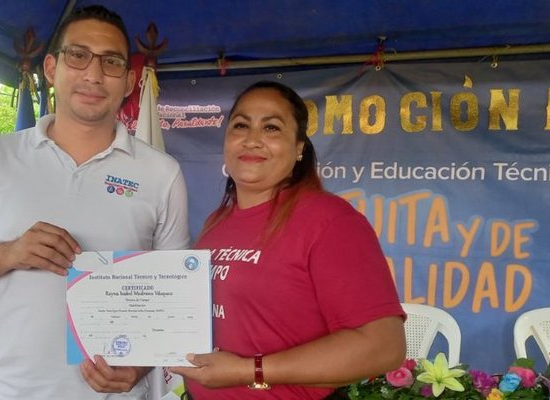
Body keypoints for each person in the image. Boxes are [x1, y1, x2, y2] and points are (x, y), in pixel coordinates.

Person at [0, 5, 189, 400]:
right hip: (8, 393)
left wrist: (140, 365)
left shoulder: (162, 173)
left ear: (129, 81)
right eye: (78, 55)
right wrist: (8, 254)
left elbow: (176, 301)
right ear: (51, 68)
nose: (93, 74)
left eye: (110, 62)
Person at [169, 81, 406, 400]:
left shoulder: (330, 221)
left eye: (271, 128)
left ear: (298, 148)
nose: (252, 140)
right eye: (241, 125)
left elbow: (383, 347)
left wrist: (246, 371)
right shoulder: (217, 222)